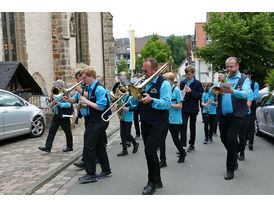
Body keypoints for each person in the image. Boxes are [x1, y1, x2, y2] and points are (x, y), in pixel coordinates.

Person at [209, 57, 251, 180]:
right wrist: (217, 83)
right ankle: (235, 154)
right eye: (227, 66)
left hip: (237, 115)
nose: (229, 69)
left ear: (237, 66)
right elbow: (212, 93)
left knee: (231, 139)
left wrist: (232, 91)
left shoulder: (244, 79)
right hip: (223, 115)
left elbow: (247, 94)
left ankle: (230, 169)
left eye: (231, 66)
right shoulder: (224, 78)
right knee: (224, 139)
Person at [139, 58, 171, 195]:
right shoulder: (143, 83)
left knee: (150, 152)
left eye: (145, 70)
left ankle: (152, 182)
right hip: (146, 121)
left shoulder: (164, 84)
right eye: (143, 70)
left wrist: (152, 100)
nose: (143, 72)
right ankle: (157, 180)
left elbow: (167, 103)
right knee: (149, 153)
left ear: (154, 70)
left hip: (159, 123)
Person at [77, 67, 112, 183]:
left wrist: (86, 102)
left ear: (91, 77)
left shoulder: (99, 89)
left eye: (84, 78)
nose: (83, 80)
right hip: (95, 119)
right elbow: (94, 104)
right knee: (99, 146)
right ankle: (106, 170)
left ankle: (91, 174)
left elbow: (101, 107)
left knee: (88, 145)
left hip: (100, 121)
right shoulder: (91, 87)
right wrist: (84, 105)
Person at [39, 79, 74, 153]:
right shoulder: (55, 93)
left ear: (61, 85)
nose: (55, 86)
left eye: (57, 84)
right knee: (52, 131)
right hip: (56, 115)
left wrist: (59, 103)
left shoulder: (66, 93)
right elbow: (52, 104)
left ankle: (69, 146)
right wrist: (50, 101)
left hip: (63, 116)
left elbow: (69, 104)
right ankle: (48, 147)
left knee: (67, 131)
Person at [161, 72, 186, 166]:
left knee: (175, 139)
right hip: (164, 118)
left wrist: (170, 104)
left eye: (166, 80)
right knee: (161, 140)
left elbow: (180, 106)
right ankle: (163, 161)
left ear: (171, 81)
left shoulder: (176, 91)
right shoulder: (163, 90)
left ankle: (182, 152)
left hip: (174, 119)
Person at [180, 65, 204, 152]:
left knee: (192, 127)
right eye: (186, 74)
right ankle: (183, 145)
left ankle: (192, 144)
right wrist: (181, 93)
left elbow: (199, 96)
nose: (188, 76)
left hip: (193, 108)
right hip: (184, 107)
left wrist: (191, 91)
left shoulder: (198, 83)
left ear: (193, 74)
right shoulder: (183, 82)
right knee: (183, 126)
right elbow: (180, 95)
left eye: (189, 74)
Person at [242, 69, 259, 151]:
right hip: (242, 106)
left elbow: (255, 96)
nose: (245, 77)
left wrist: (248, 97)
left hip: (251, 106)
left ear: (250, 75)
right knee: (243, 124)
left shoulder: (255, 84)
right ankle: (244, 140)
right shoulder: (241, 83)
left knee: (251, 124)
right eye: (244, 75)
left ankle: (251, 143)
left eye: (247, 75)